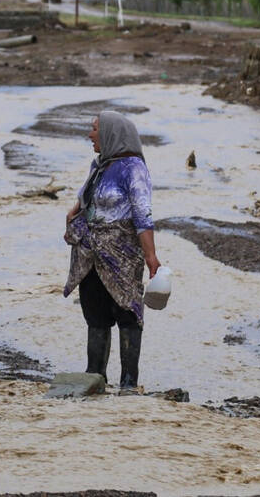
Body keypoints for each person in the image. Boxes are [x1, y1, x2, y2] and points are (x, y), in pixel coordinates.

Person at [63, 111, 161, 391]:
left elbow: (143, 215)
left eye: (94, 129)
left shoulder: (133, 168)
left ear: (110, 134)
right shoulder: (100, 166)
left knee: (128, 315)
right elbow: (86, 201)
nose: (90, 134)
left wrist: (151, 257)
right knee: (95, 318)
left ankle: (129, 384)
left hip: (122, 259)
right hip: (90, 258)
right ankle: (94, 378)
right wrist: (74, 216)